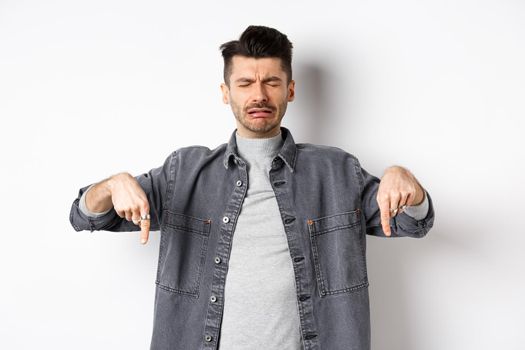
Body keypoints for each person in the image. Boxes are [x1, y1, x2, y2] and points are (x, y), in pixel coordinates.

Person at [69, 25, 434, 350]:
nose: (258, 95)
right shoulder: (184, 172)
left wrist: (405, 181)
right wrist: (114, 184)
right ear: (226, 92)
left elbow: (412, 222)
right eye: (245, 83)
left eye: (271, 82)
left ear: (290, 90)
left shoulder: (337, 171)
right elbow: (87, 216)